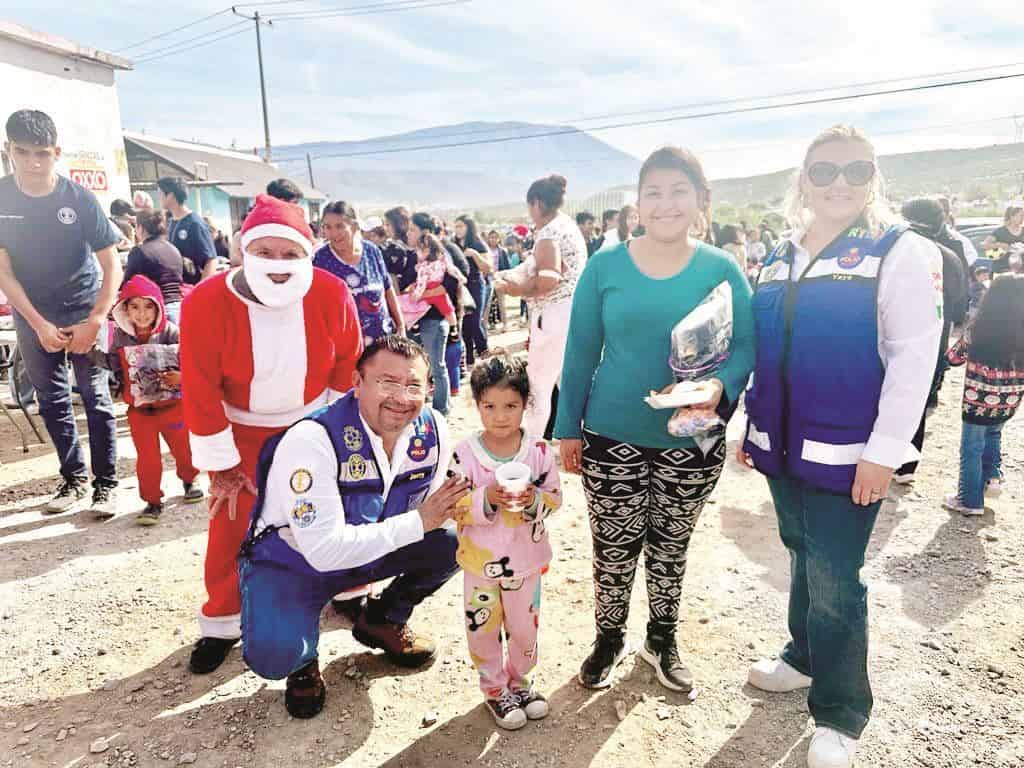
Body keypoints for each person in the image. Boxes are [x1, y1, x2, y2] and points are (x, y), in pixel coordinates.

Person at [737, 125, 943, 768]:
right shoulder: (781, 253)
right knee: (801, 553)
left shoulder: (898, 250)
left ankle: (841, 711)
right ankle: (803, 656)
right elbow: (765, 347)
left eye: (857, 170)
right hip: (782, 446)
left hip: (851, 453)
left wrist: (886, 450)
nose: (840, 184)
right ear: (804, 178)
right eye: (825, 171)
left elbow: (915, 357)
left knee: (835, 578)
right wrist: (750, 425)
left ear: (874, 177)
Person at [555, 147, 755, 693]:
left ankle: (661, 639)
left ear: (700, 201)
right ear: (638, 202)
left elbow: (744, 345)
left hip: (692, 438)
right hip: (611, 432)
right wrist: (567, 428)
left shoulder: (721, 267)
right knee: (613, 546)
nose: (665, 203)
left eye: (678, 191)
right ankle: (609, 637)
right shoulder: (605, 266)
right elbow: (579, 353)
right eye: (654, 192)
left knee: (671, 544)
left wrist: (719, 386)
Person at [238, 335, 471, 718]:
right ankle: (302, 661)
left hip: (368, 550)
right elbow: (325, 550)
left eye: (413, 385)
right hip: (294, 562)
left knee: (455, 540)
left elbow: (435, 510)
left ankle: (381, 620)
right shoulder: (312, 438)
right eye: (387, 382)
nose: (401, 396)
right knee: (273, 655)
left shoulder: (433, 430)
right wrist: (419, 522)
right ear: (357, 382)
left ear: (430, 389)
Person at [180, 193, 363, 675]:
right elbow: (198, 386)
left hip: (313, 424)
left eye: (290, 254)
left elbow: (349, 358)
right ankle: (223, 619)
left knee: (330, 512)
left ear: (307, 254)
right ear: (243, 251)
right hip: (238, 433)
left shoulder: (329, 292)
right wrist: (220, 465)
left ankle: (349, 592)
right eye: (265, 252)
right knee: (231, 525)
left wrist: (340, 430)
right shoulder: (205, 301)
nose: (278, 265)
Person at [0, 109, 122, 517]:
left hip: (84, 306)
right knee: (51, 400)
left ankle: (107, 485)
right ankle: (73, 478)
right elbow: (4, 273)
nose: (33, 162)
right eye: (23, 152)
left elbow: (112, 265)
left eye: (42, 153)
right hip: (33, 312)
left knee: (95, 396)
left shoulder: (78, 199)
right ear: (8, 151)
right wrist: (38, 324)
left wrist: (96, 320)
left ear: (57, 153)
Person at [451, 354, 562, 729]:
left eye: (511, 406)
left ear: (526, 404)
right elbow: (454, 506)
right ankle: (495, 689)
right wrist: (487, 498)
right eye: (490, 406)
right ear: (478, 405)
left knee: (524, 627)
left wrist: (532, 500)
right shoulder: (464, 455)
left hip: (526, 562)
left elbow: (554, 497)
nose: (501, 416)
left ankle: (520, 681)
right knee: (482, 628)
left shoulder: (540, 452)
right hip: (479, 565)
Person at [90, 275, 202, 524]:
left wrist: (182, 377)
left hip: (173, 406)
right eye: (135, 306)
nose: (142, 314)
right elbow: (112, 363)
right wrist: (89, 350)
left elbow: (192, 362)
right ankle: (152, 501)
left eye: (149, 306)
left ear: (159, 307)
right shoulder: (120, 336)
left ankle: (189, 478)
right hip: (139, 410)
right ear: (125, 309)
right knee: (147, 458)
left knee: (183, 448)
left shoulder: (172, 331)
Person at [495, 174, 586, 437]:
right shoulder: (566, 226)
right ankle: (577, 437)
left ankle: (530, 448)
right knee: (564, 383)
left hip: (553, 315)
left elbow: (549, 277)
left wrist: (517, 289)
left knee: (537, 387)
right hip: (569, 314)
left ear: (536, 203)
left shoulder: (549, 233)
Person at [893, 198, 969, 484]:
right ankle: (906, 466)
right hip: (934, 339)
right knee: (918, 399)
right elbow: (961, 303)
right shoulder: (950, 255)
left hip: (892, 339)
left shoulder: (895, 251)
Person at [942, 274, 1024, 515]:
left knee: (972, 447)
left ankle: (969, 501)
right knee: (994, 435)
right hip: (1009, 400)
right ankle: (993, 478)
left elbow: (953, 358)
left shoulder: (979, 328)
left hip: (977, 401)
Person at [314, 200, 405, 347]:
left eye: (340, 226)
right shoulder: (321, 260)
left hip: (383, 340)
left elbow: (388, 289)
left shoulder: (372, 251)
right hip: (345, 346)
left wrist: (400, 326)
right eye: (327, 227)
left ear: (355, 226)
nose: (334, 233)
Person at [405, 212, 469, 416]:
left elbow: (456, 278)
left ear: (425, 233)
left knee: (436, 364)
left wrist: (426, 292)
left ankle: (442, 409)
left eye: (412, 229)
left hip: (434, 318)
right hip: (419, 317)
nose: (409, 233)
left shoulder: (443, 252)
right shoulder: (413, 255)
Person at [123, 208, 186, 324]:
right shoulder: (173, 249)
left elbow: (127, 285)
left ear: (141, 228)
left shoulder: (139, 251)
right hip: (180, 308)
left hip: (157, 311)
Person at [157, 178, 217, 284]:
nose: (158, 198)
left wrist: (200, 291)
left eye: (160, 193)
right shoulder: (171, 222)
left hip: (192, 287)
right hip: (177, 288)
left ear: (170, 195)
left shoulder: (194, 223)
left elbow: (211, 260)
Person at [398, 232, 465, 328]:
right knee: (448, 310)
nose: (416, 252)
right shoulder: (443, 259)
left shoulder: (424, 267)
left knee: (414, 305)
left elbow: (421, 283)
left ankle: (414, 325)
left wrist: (417, 295)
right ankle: (454, 328)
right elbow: (453, 270)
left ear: (426, 251)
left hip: (426, 289)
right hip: (438, 290)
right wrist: (461, 278)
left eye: (418, 250)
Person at [454, 215, 495, 366]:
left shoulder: (478, 243)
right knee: (464, 324)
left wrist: (475, 255)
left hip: (476, 285)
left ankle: (485, 353)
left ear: (468, 227)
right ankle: (469, 358)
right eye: (456, 226)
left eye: (461, 226)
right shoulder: (454, 244)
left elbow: (488, 268)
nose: (457, 229)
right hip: (461, 287)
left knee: (475, 322)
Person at [980, 204, 1024, 274]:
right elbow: (984, 245)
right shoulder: (1000, 231)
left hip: (1020, 272)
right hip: (1002, 270)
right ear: (1012, 216)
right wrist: (1001, 245)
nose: (1023, 218)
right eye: (1021, 215)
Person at [486, 229, 510, 330]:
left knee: (501, 302)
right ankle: (486, 325)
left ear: (499, 238)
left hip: (499, 278)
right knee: (487, 303)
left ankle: (505, 324)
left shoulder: (502, 251)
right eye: (491, 237)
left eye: (495, 237)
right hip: (488, 279)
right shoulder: (486, 249)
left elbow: (507, 266)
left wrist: (505, 278)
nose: (493, 239)